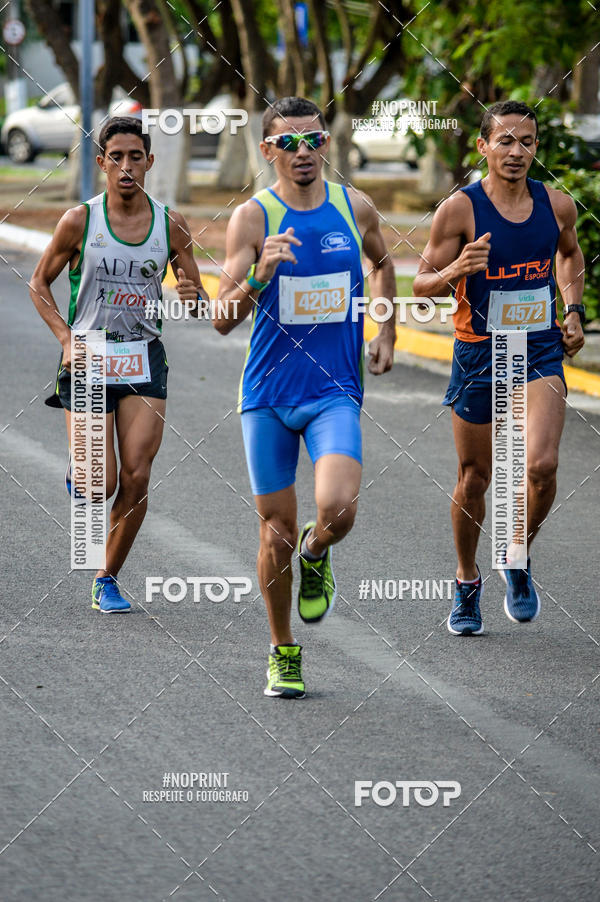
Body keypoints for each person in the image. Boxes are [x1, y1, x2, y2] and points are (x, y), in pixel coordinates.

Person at [207, 96, 396, 696]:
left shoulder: (353, 205)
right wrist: (259, 273)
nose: (302, 152)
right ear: (267, 152)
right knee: (275, 531)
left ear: (326, 145)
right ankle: (282, 648)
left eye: (312, 140)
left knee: (337, 510)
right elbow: (220, 318)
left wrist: (386, 326)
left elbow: (384, 260)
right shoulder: (252, 219)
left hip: (334, 390)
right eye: (287, 143)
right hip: (267, 395)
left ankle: (319, 552)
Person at [413, 100, 585, 635]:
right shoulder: (459, 210)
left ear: (537, 148)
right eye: (505, 141)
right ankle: (467, 582)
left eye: (526, 141)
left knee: (541, 466)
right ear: (483, 147)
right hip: (478, 352)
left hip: (537, 348)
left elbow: (570, 256)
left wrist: (574, 309)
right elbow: (420, 286)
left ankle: (515, 554)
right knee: (475, 478)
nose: (516, 151)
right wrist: (458, 268)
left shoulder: (556, 205)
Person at [30, 116, 207, 613]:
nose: (126, 166)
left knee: (136, 476)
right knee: (100, 483)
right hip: (87, 355)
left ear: (149, 163)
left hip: (143, 357)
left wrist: (193, 295)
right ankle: (81, 473)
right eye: (116, 157)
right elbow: (38, 285)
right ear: (102, 162)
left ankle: (105, 576)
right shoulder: (79, 221)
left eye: (135, 157)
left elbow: (196, 299)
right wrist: (65, 338)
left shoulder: (171, 224)